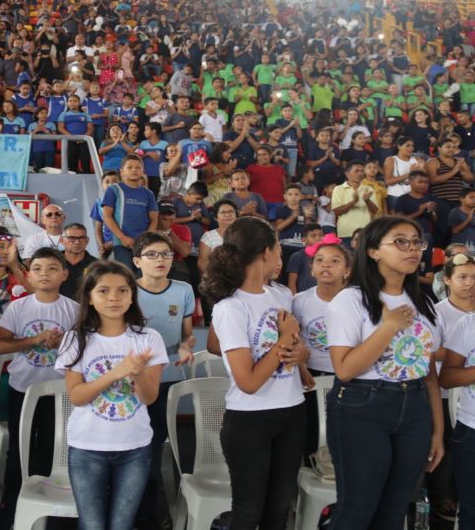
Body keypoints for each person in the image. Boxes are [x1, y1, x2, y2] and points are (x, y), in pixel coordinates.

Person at [326, 216, 444, 529]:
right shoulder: (351, 300)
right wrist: (389, 326)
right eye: (400, 241)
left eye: (417, 242)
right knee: (356, 512)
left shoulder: (424, 302)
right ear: (374, 251)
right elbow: (345, 369)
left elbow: (429, 374)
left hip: (415, 407)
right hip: (363, 407)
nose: (412, 249)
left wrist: (437, 430)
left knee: (394, 513)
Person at [201, 216, 307, 529]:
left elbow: (296, 344)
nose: (280, 258)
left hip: (292, 411)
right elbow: (247, 382)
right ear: (265, 252)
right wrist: (283, 342)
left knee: (278, 511)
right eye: (278, 251)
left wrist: (300, 355)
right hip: (250, 420)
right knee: (248, 513)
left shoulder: (280, 295)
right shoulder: (231, 306)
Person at [56, 260, 168, 530]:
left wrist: (138, 373)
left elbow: (149, 398)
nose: (113, 298)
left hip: (135, 447)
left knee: (122, 524)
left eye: (122, 291)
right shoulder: (75, 339)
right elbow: (77, 396)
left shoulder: (148, 338)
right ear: (90, 298)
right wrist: (115, 374)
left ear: (132, 296)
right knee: (92, 524)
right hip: (87, 447)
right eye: (103, 291)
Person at [0, 247, 79, 527]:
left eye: (52, 268)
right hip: (23, 389)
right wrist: (35, 340)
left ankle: (48, 509)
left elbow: (84, 350)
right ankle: (12, 508)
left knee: (53, 450)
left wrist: (64, 343)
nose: (44, 274)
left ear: (64, 274)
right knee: (20, 449)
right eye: (38, 269)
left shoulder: (74, 310)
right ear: (28, 275)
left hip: (61, 394)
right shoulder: (18, 307)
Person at [133, 232, 194, 529]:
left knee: (154, 445)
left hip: (167, 376)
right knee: (133, 445)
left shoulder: (183, 290)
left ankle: (148, 512)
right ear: (137, 261)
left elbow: (187, 335)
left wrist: (185, 346)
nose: (160, 260)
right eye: (152, 254)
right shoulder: (126, 290)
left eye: (166, 254)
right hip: (133, 378)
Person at [291, 235, 351, 456]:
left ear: (347, 271)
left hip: (347, 375)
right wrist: (302, 367)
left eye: (335, 261)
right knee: (312, 433)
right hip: (310, 375)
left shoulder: (357, 301)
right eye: (319, 260)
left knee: (344, 432)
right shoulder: (300, 301)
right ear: (312, 269)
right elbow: (293, 337)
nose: (326, 265)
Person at [432, 253, 475, 522]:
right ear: (447, 280)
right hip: (460, 413)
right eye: (463, 277)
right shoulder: (455, 319)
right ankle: (442, 501)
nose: (470, 283)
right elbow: (443, 372)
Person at [102, 154, 159, 270]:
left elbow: (154, 219)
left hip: (143, 245)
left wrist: (146, 240)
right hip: (121, 243)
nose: (134, 170)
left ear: (143, 171)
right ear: (122, 171)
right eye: (130, 167)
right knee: (126, 275)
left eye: (138, 167)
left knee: (143, 276)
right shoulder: (114, 189)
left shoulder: (148, 193)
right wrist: (122, 238)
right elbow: (107, 216)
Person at [332, 161, 380, 245]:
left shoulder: (369, 189)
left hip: (364, 232)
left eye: (362, 171)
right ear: (347, 174)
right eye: (357, 171)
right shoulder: (338, 189)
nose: (360, 173)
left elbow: (375, 210)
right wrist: (353, 202)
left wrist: (367, 200)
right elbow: (336, 211)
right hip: (346, 233)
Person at [60, 222, 97, 300]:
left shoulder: (96, 265)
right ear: (61, 240)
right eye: (71, 238)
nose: (77, 242)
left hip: (85, 306)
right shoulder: (53, 263)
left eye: (82, 238)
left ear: (87, 240)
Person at [286, 223, 325, 295]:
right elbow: (291, 284)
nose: (318, 238)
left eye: (320, 235)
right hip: (303, 298)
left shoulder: (327, 257)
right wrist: (295, 299)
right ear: (304, 239)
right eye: (313, 236)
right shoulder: (297, 256)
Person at [90, 170, 121, 260]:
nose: (111, 184)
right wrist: (102, 246)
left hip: (123, 243)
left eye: (115, 181)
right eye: (107, 182)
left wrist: (113, 243)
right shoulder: (98, 202)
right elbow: (98, 228)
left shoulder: (125, 202)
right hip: (106, 247)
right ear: (102, 186)